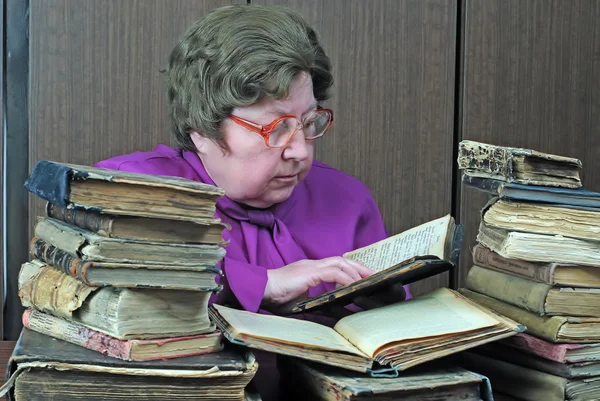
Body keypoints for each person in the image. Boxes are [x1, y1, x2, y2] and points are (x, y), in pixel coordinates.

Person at [96, 4, 410, 320]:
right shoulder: (132, 190)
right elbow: (110, 278)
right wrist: (263, 284)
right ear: (201, 130)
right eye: (276, 128)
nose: (300, 152)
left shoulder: (348, 199)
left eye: (308, 121)